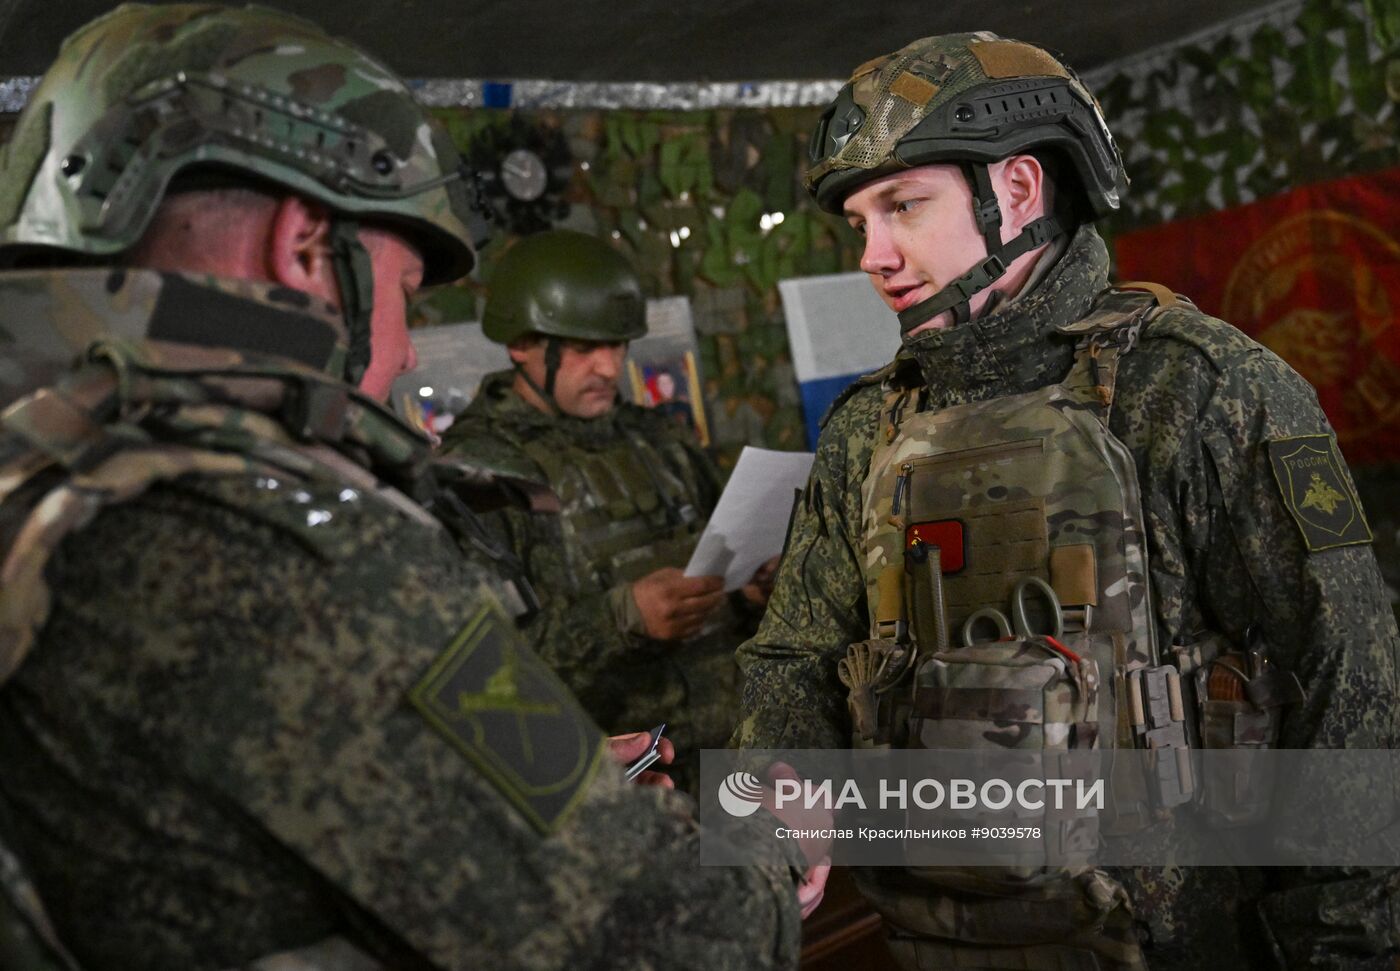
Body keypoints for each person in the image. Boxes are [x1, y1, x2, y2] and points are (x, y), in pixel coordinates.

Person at [0, 6, 826, 970]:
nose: (395, 356)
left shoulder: (51, 466)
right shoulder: (290, 541)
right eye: (397, 293)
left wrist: (502, 789)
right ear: (306, 248)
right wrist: (774, 836)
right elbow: (671, 938)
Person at [732, 31, 1400, 971]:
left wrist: (1343, 949)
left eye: (903, 206)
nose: (875, 255)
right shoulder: (866, 430)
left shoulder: (1199, 389)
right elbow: (792, 656)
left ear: (1017, 191)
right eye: (859, 224)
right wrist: (774, 792)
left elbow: (1349, 692)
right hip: (932, 938)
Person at [439, 229, 776, 793]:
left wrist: (749, 592)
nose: (608, 367)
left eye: (617, 346)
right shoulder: (479, 475)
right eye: (581, 348)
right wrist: (620, 617)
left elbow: (722, 564)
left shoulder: (658, 441)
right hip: (619, 783)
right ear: (520, 344)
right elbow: (472, 669)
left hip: (735, 761)